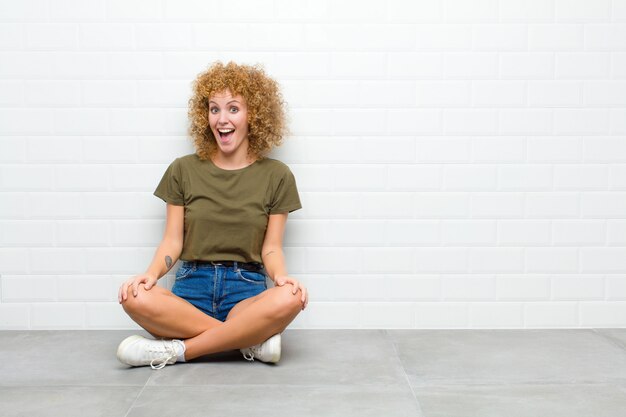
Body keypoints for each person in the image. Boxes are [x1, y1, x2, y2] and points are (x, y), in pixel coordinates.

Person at [115, 61, 308, 370]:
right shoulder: (183, 169)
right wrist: (150, 275)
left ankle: (176, 351)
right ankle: (247, 341)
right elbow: (172, 241)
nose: (222, 119)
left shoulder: (277, 175)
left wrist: (280, 277)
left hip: (246, 291)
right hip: (191, 290)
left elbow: (271, 247)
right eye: (214, 109)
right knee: (134, 296)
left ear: (253, 116)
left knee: (290, 297)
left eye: (233, 109)